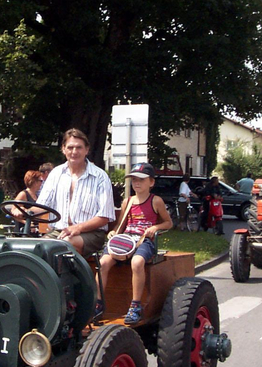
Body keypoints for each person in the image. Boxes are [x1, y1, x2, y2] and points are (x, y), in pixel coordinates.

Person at [99, 163, 172, 324]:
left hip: (144, 241)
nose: (136, 183)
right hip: (126, 240)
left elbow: (168, 223)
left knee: (137, 262)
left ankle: (135, 305)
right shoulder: (128, 201)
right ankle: (98, 302)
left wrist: (155, 227)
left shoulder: (156, 201)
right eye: (134, 180)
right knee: (103, 263)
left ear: (151, 182)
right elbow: (121, 225)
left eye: (141, 179)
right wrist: (114, 232)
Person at [36, 128, 115, 257]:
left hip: (91, 234)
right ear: (63, 149)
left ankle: (71, 270)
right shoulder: (56, 173)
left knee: (64, 244)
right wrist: (22, 210)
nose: (74, 152)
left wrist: (78, 228)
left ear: (86, 150)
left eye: (79, 147)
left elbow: (104, 217)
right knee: (36, 249)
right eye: (70, 147)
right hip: (59, 232)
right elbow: (41, 206)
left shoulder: (100, 176)